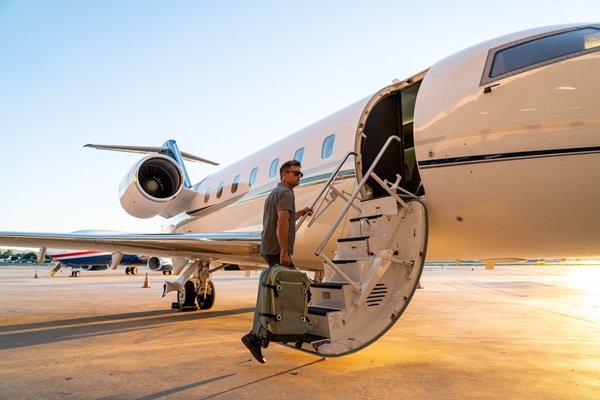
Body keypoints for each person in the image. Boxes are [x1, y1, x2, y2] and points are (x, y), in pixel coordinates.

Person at [241, 159, 312, 364]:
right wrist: (284, 251)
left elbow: (285, 218)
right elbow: (281, 222)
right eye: (295, 173)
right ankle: (259, 336)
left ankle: (287, 332)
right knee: (300, 291)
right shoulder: (286, 194)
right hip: (276, 250)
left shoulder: (276, 193)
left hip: (269, 248)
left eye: (300, 174)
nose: (299, 176)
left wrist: (301, 212)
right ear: (284, 174)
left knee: (280, 293)